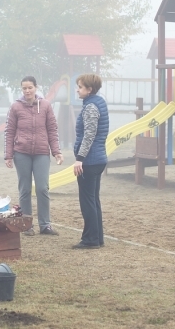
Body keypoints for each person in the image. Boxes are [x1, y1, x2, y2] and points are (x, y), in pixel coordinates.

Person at [4, 76, 63, 236]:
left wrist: (56, 151)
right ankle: (27, 225)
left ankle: (45, 225)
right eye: (24, 88)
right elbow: (9, 132)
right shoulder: (15, 107)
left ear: (36, 88)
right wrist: (8, 155)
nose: (27, 91)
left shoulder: (45, 106)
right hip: (21, 153)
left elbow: (52, 129)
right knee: (25, 189)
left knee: (42, 188)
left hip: (41, 153)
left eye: (30, 87)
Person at [72, 73, 109, 249]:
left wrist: (80, 159)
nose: (77, 90)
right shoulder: (98, 102)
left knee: (87, 202)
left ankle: (90, 239)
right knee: (94, 200)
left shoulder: (91, 107)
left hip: (90, 160)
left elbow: (89, 135)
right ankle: (98, 238)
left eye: (80, 87)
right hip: (98, 158)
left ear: (89, 89)